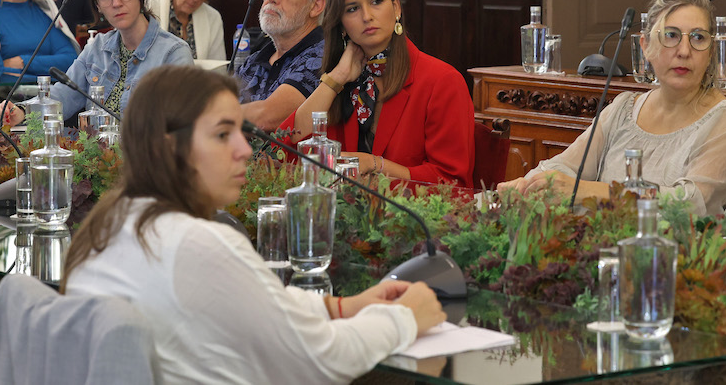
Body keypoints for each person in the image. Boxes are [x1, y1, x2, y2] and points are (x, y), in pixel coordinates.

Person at [61, 65, 445, 384]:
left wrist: (341, 307)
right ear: (168, 147)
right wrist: (403, 318)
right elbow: (320, 360)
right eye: (222, 134)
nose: (245, 149)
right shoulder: (197, 242)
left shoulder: (111, 221)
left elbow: (255, 304)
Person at [500, 0, 726, 217]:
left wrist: (589, 191)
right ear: (646, 46)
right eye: (671, 35)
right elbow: (565, 166)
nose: (684, 51)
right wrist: (528, 184)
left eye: (698, 38)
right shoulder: (623, 109)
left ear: (711, 51)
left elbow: (690, 204)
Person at [287, 0, 475, 187]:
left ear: (396, 7)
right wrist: (335, 78)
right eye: (352, 9)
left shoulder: (442, 81)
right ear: (342, 24)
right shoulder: (344, 81)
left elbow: (452, 182)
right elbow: (290, 151)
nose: (367, 16)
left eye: (376, 2)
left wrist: (374, 165)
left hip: (410, 218)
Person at [0, 0, 193, 126]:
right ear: (98, 6)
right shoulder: (97, 47)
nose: (116, 3)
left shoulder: (173, 53)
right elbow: (62, 96)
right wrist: (22, 112)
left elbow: (182, 124)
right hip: (97, 161)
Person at [236, 0, 331, 131]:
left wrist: (203, 117)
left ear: (316, 7)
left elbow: (267, 117)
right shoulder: (255, 59)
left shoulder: (323, 56)